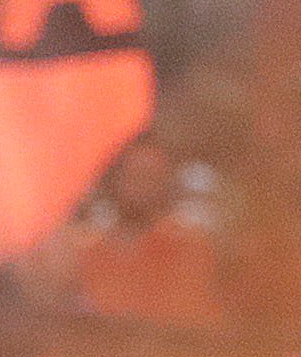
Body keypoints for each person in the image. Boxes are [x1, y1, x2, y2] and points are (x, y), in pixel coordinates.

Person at [46, 133, 227, 322]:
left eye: (152, 177)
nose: (142, 187)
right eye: (135, 176)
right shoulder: (89, 253)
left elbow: (197, 321)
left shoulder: (189, 251)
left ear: (166, 183)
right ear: (117, 179)